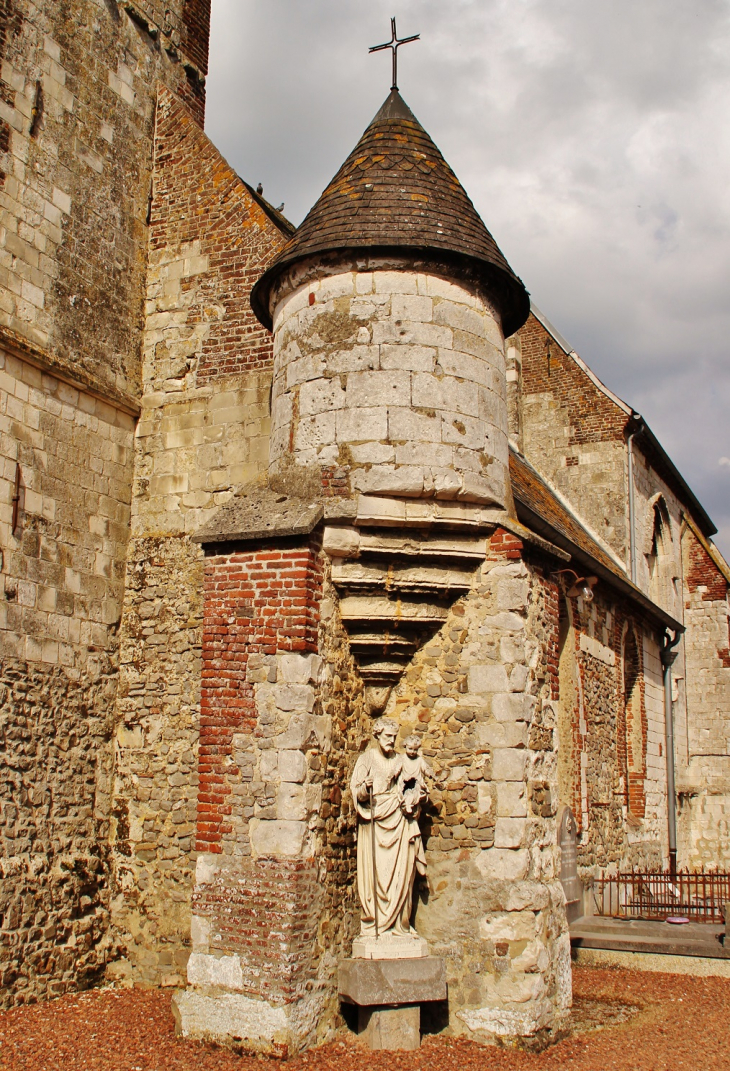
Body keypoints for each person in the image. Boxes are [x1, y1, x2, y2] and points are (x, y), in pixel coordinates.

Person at [350, 718, 427, 938]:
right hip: (375, 820)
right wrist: (365, 788)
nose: (391, 741)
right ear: (377, 735)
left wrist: (416, 797)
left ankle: (400, 923)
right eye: (387, 737)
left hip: (400, 821)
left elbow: (413, 784)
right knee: (377, 873)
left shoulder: (401, 760)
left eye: (394, 737)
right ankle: (376, 922)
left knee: (403, 872)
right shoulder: (367, 759)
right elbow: (357, 792)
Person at [398, 733, 433, 818]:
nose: (413, 752)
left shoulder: (419, 759)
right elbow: (396, 769)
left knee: (417, 794)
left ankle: (410, 805)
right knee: (407, 794)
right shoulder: (402, 759)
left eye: (415, 750)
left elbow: (425, 768)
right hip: (405, 784)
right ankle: (407, 805)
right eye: (410, 749)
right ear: (405, 747)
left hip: (417, 784)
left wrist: (430, 775)